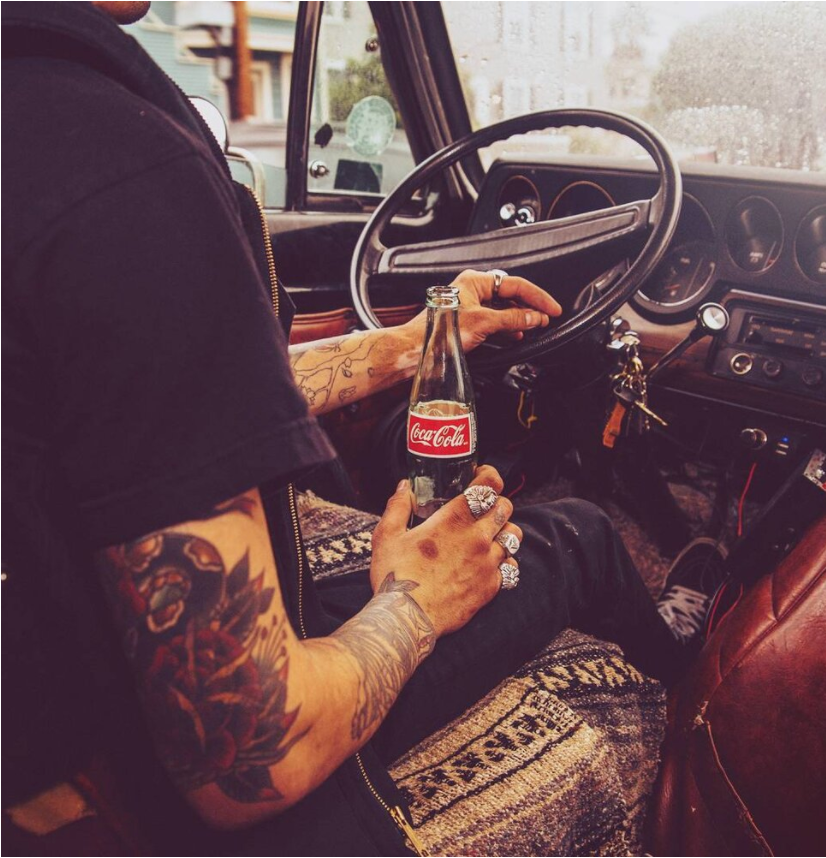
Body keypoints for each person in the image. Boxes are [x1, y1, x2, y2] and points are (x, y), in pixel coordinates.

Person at [2, 2, 688, 854]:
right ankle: (697, 723)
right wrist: (416, 602)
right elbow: (254, 754)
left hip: (53, 695)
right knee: (581, 533)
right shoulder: (119, 165)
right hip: (143, 786)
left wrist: (414, 343)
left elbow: (171, 406)